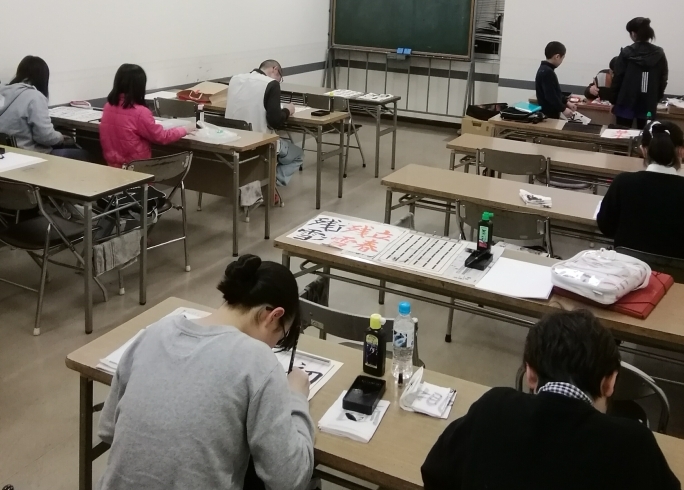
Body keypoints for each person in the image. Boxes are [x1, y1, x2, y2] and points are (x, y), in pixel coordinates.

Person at [98, 254, 314, 490]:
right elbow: (290, 479)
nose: (272, 347)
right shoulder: (257, 360)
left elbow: (108, 429)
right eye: (278, 338)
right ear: (273, 317)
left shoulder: (155, 332)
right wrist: (296, 397)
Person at [421, 310, 680, 490]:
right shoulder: (634, 445)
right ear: (610, 382)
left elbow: (435, 473)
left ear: (530, 374)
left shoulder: (493, 408)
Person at [597, 121, 684, 258]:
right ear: (681, 151)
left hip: (628, 271)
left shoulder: (623, 182)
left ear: (643, 150)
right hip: (676, 275)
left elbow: (606, 227)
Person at [226, 60, 304, 186]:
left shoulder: (235, 79)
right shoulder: (271, 84)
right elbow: (275, 121)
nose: (279, 81)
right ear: (274, 69)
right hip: (259, 143)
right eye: (280, 78)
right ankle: (271, 186)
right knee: (298, 154)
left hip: (232, 140)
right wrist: (287, 111)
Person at [99, 64, 192, 168]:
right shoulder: (140, 112)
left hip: (112, 167)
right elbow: (161, 137)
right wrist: (185, 129)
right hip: (137, 170)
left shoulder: (108, 106)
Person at [0, 56, 91, 161]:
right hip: (31, 156)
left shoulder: (3, 92)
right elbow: (45, 137)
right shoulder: (34, 97)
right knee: (84, 154)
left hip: (8, 155)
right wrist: (61, 137)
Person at [610, 17, 668, 129]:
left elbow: (618, 78)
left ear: (633, 34)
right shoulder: (659, 54)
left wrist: (613, 100)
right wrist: (656, 98)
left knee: (622, 135)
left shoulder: (626, 53)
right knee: (645, 136)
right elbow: (663, 79)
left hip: (625, 103)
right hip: (648, 103)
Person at [535, 42, 576, 119]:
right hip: (548, 115)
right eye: (562, 58)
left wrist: (566, 102)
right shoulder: (547, 72)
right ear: (557, 56)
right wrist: (563, 109)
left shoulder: (544, 69)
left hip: (548, 113)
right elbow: (550, 96)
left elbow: (556, 92)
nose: (562, 61)